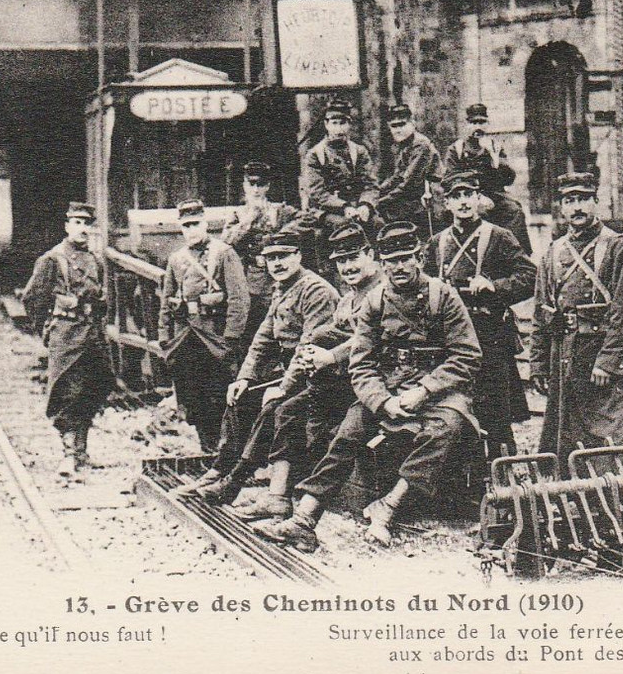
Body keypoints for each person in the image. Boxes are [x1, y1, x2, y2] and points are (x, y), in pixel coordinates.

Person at [257, 222, 481, 551]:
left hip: (439, 388)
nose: (400, 267)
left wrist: (425, 390)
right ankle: (305, 519)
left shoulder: (442, 296)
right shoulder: (374, 302)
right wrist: (381, 401)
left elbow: (467, 354)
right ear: (382, 262)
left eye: (406, 258)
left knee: (446, 428)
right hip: (388, 385)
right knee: (350, 431)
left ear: (419, 257)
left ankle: (388, 506)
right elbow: (361, 361)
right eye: (392, 260)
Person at [233, 223, 380, 523]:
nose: (348, 266)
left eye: (354, 257)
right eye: (341, 260)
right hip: (346, 378)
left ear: (370, 255)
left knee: (302, 414)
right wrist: (313, 346)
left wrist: (327, 354)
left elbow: (371, 337)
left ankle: (268, 491)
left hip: (375, 383)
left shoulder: (381, 291)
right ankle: (276, 497)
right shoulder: (349, 295)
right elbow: (333, 330)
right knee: (286, 410)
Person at [184, 230, 338, 503]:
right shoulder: (282, 287)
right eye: (271, 258)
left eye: (284, 256)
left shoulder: (316, 290)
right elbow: (263, 338)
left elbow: (308, 347)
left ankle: (235, 480)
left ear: (299, 256)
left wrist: (283, 387)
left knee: (273, 407)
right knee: (241, 396)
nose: (277, 263)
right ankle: (220, 468)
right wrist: (244, 377)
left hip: (320, 373)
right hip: (293, 369)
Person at [533, 172, 623, 475]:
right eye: (569, 200)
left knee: (622, 435)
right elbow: (542, 312)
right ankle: (580, 502)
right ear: (561, 207)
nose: (577, 208)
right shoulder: (554, 251)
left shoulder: (616, 247)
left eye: (583, 199)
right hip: (566, 356)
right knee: (569, 439)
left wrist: (610, 361)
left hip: (604, 360)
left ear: (596, 202)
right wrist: (538, 364)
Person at [427, 169, 537, 458]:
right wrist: (433, 288)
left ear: (479, 199)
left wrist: (493, 286)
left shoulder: (499, 236)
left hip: (488, 334)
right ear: (447, 203)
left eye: (468, 195)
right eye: (455, 196)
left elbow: (529, 276)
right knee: (453, 404)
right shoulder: (437, 243)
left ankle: (504, 470)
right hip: (448, 337)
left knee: (496, 411)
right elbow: (420, 287)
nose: (463, 202)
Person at [20, 202, 114, 478]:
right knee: (67, 393)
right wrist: (48, 331)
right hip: (67, 335)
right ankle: (68, 455)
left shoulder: (95, 260)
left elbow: (102, 299)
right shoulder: (53, 259)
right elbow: (32, 299)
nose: (83, 228)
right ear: (67, 226)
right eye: (77, 223)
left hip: (92, 335)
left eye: (87, 223)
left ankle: (82, 451)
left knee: (93, 389)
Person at [158, 199, 251, 458]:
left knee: (220, 393)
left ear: (205, 224)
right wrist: (165, 338)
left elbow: (239, 299)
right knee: (193, 393)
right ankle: (207, 448)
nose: (191, 231)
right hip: (188, 337)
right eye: (186, 226)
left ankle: (226, 452)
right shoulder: (177, 259)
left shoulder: (223, 253)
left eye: (195, 224)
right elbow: (166, 302)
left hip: (216, 337)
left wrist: (231, 337)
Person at [220, 161, 302, 353]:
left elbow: (304, 220)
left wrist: (278, 236)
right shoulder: (238, 214)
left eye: (261, 185)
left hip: (278, 275)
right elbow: (226, 241)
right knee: (252, 325)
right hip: (250, 278)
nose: (256, 190)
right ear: (245, 186)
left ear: (267, 186)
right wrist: (248, 221)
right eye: (252, 184)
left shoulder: (280, 210)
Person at [442, 102, 529, 249]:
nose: (478, 127)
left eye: (482, 122)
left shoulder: (494, 146)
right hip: (466, 194)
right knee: (480, 214)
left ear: (487, 124)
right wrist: (476, 195)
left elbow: (509, 179)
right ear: (467, 125)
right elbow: (449, 178)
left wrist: (496, 160)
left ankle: (515, 252)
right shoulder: (456, 149)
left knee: (514, 211)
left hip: (495, 194)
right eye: (474, 122)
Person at [301, 96, 378, 240]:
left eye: (342, 123)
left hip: (357, 206)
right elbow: (317, 192)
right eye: (334, 123)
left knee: (377, 224)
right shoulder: (315, 154)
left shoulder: (359, 151)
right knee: (345, 227)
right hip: (328, 210)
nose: (338, 128)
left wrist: (365, 205)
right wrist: (344, 207)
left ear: (349, 124)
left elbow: (371, 184)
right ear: (326, 124)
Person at [376, 102, 441, 230]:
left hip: (430, 198)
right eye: (394, 126)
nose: (398, 130)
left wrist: (380, 202)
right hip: (413, 196)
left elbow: (409, 184)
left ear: (412, 123)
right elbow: (397, 177)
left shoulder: (421, 145)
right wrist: (376, 192)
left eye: (402, 124)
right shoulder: (404, 145)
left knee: (384, 215)